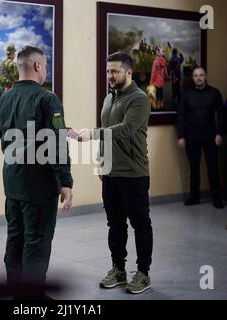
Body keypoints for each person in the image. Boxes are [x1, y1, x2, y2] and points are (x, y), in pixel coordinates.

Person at [0, 46, 73, 299]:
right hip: (39, 185)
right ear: (37, 66)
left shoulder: (2, 100)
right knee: (36, 241)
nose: (45, 70)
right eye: (45, 66)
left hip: (13, 181)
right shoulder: (48, 99)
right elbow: (57, 142)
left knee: (15, 237)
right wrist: (65, 181)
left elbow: (3, 134)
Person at [77, 52, 152, 294]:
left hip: (133, 173)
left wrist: (92, 133)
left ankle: (143, 273)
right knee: (115, 224)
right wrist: (100, 161)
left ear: (128, 72)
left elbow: (126, 129)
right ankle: (118, 269)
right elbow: (108, 135)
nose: (110, 75)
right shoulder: (109, 98)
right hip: (110, 173)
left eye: (115, 71)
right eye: (108, 71)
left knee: (140, 223)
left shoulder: (139, 99)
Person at [177, 67, 225, 209]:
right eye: (196, 75)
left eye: (201, 75)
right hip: (192, 136)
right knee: (194, 167)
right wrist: (181, 136)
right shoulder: (187, 95)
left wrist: (220, 133)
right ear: (192, 78)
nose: (199, 78)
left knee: (213, 167)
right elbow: (181, 116)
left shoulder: (214, 93)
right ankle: (194, 196)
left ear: (205, 76)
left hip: (210, 136)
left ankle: (217, 198)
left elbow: (221, 114)